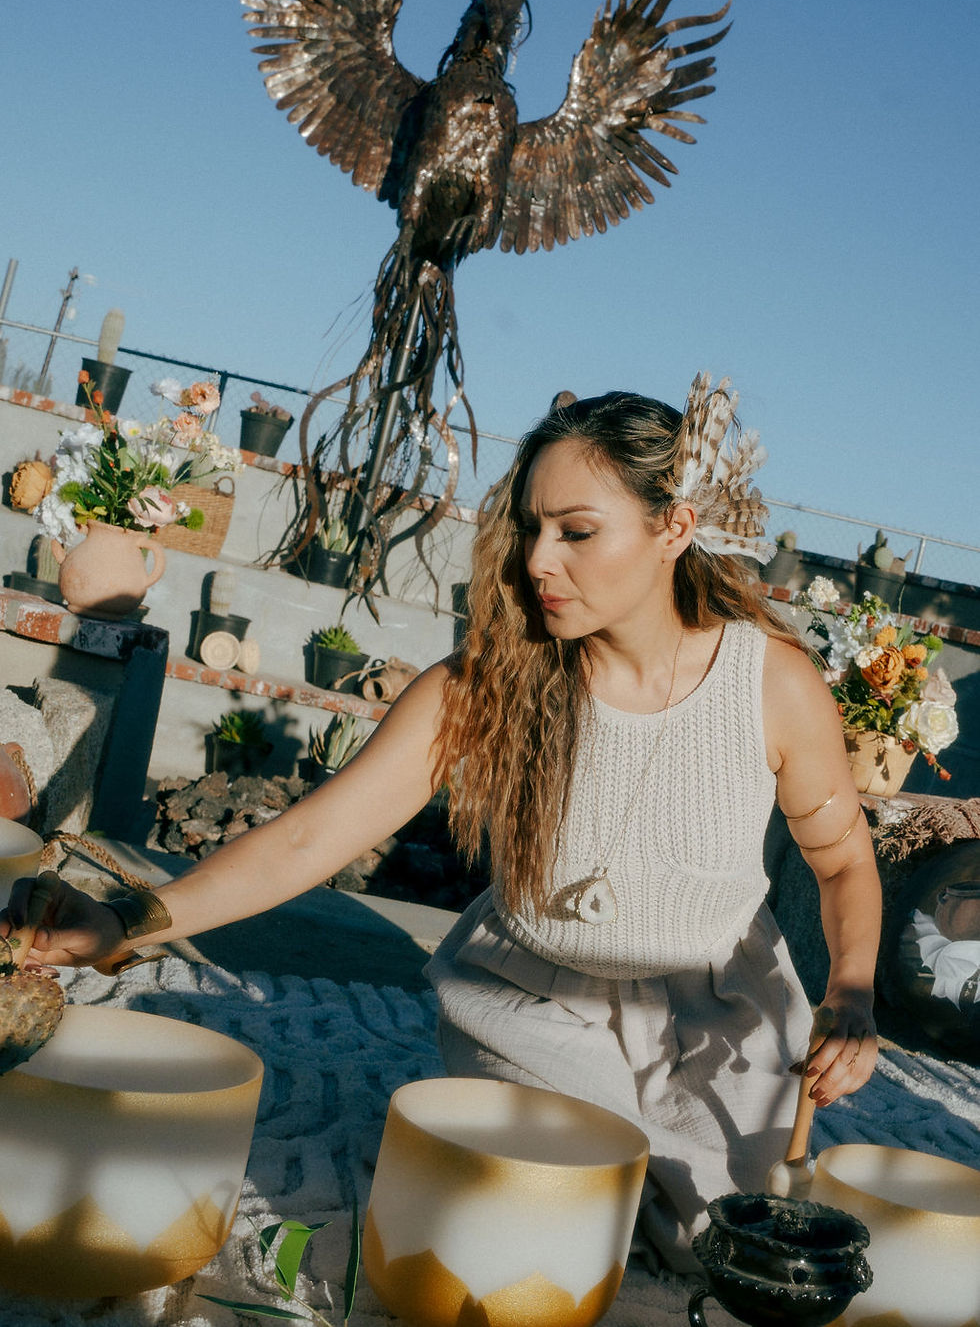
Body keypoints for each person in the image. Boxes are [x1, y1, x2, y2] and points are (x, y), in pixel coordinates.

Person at [1, 373, 880, 1273]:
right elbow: (309, 838)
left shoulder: (769, 684)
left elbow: (845, 859)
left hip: (719, 1009)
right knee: (558, 1218)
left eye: (577, 532)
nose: (539, 561)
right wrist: (126, 921)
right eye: (531, 529)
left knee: (718, 1245)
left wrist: (850, 993)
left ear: (675, 528)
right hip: (536, 1001)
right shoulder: (489, 682)